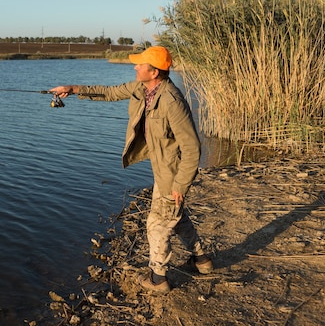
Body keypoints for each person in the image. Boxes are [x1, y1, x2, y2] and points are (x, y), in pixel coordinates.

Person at [49, 45, 212, 293]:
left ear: (154, 72)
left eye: (140, 64)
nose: (135, 67)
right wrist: (72, 89)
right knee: (175, 215)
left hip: (173, 171)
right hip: (161, 166)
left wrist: (181, 184)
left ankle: (158, 278)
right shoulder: (142, 88)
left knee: (157, 223)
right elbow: (109, 92)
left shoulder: (172, 101)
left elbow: (192, 148)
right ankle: (202, 260)